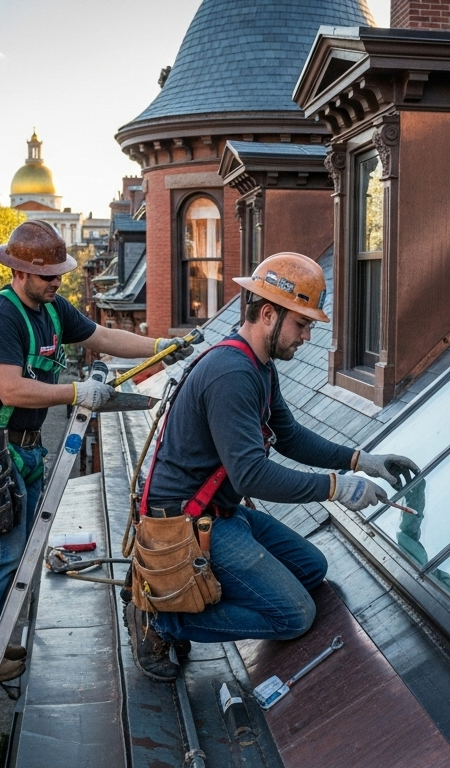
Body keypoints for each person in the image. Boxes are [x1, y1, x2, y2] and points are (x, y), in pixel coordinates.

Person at [131, 251, 419, 681]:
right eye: (301, 324)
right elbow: (252, 475)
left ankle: (204, 592)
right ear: (268, 313)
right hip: (185, 524)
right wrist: (338, 487)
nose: (306, 336)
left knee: (311, 569)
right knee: (294, 615)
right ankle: (162, 619)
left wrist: (361, 459)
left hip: (219, 515)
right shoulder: (231, 374)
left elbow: (291, 437)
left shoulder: (258, 368)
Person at [0, 220, 192, 681]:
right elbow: (11, 391)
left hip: (21, 450)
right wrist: (76, 391)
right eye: (48, 276)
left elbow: (102, 337)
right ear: (20, 272)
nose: (57, 282)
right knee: (0, 554)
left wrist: (160, 348)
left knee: (17, 551)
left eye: (60, 274)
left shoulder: (53, 309)